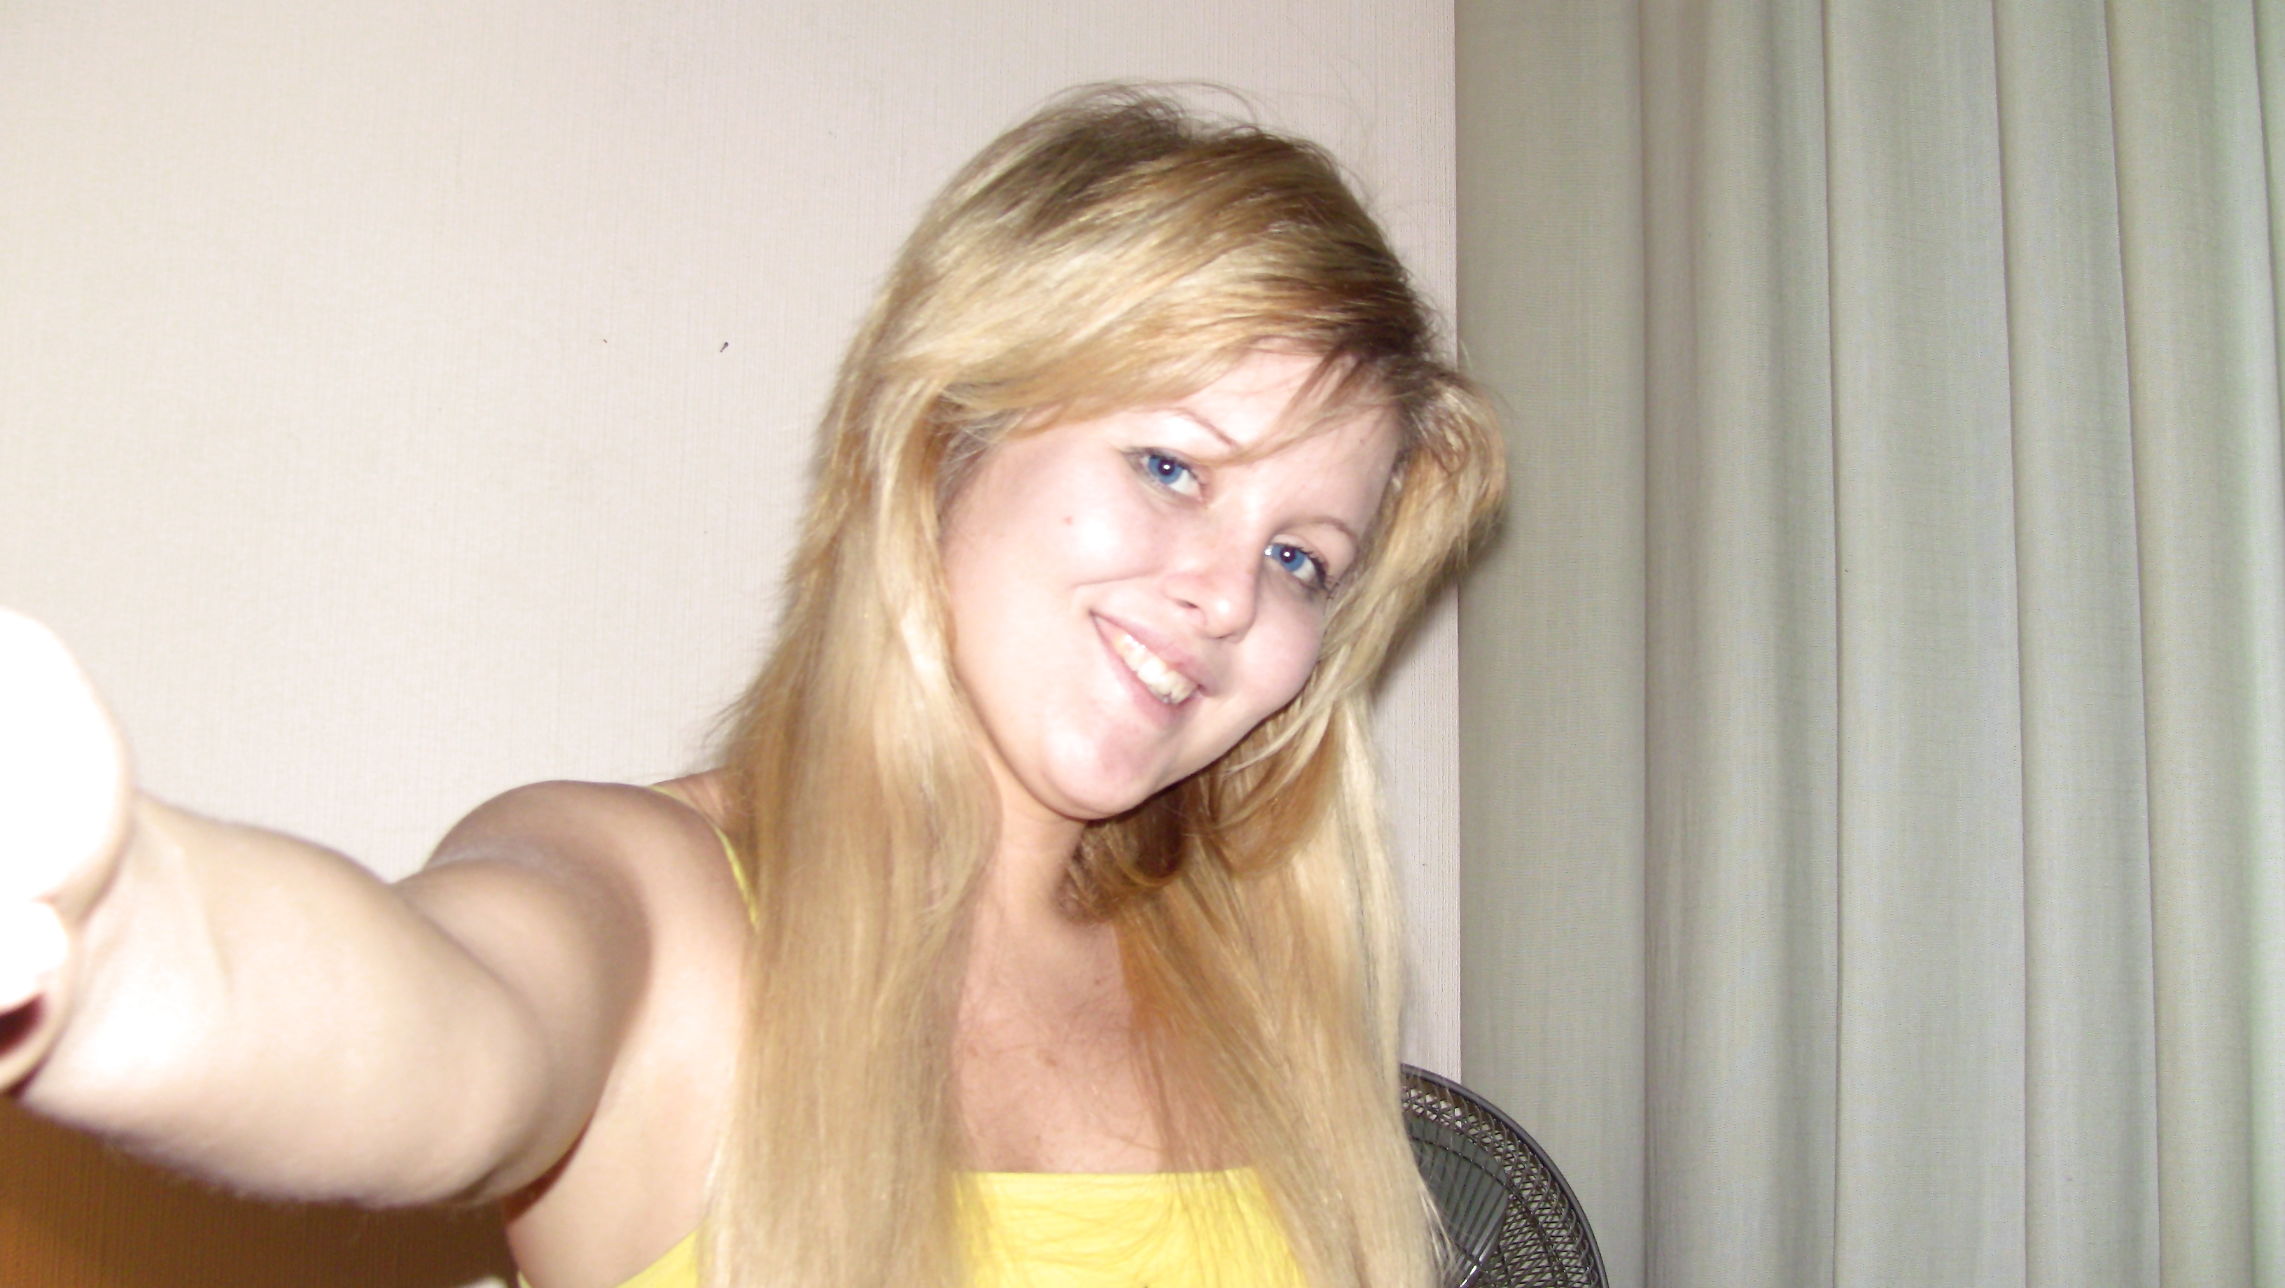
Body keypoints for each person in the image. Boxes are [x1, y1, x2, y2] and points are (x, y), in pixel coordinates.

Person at [0, 87, 1502, 1288]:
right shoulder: (665, 908)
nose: (1229, 598)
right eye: (1171, 465)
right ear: (942, 437)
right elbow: (446, 1025)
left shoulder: (1260, 995)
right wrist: (108, 923)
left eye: (1301, 559)